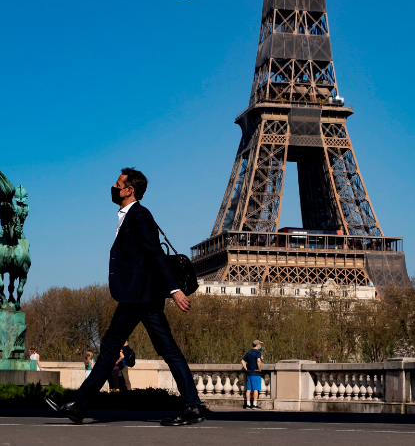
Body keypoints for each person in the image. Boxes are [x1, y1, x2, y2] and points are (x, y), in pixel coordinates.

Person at [46, 168, 206, 426]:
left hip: (138, 295)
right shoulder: (131, 215)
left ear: (129, 190)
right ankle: (192, 405)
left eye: (118, 184)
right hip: (141, 294)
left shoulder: (139, 215)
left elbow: (155, 254)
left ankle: (79, 404)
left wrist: (175, 290)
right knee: (166, 349)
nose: (113, 187)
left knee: (112, 347)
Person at [241, 339, 264, 409]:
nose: (260, 345)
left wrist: (246, 368)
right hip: (256, 373)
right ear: (257, 345)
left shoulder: (248, 352)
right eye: (260, 344)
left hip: (249, 373)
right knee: (255, 389)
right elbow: (258, 360)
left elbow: (242, 361)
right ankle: (254, 404)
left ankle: (248, 404)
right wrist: (259, 369)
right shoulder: (258, 352)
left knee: (249, 389)